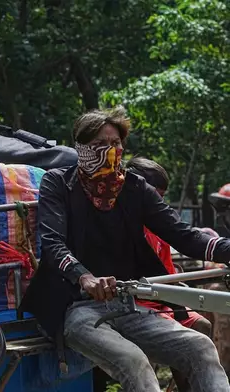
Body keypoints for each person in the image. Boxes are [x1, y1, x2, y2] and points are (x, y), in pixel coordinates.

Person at [21, 107, 230, 392]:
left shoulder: (134, 188)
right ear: (81, 148)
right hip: (76, 308)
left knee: (200, 347)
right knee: (134, 361)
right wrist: (85, 277)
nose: (111, 152)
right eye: (100, 146)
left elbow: (183, 235)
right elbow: (53, 243)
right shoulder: (59, 183)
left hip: (129, 304)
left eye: (116, 144)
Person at [125, 156, 212, 391]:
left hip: (162, 301)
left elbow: (168, 272)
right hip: (137, 305)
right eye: (155, 196)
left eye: (161, 198)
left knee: (202, 326)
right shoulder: (121, 225)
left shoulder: (160, 226)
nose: (158, 203)